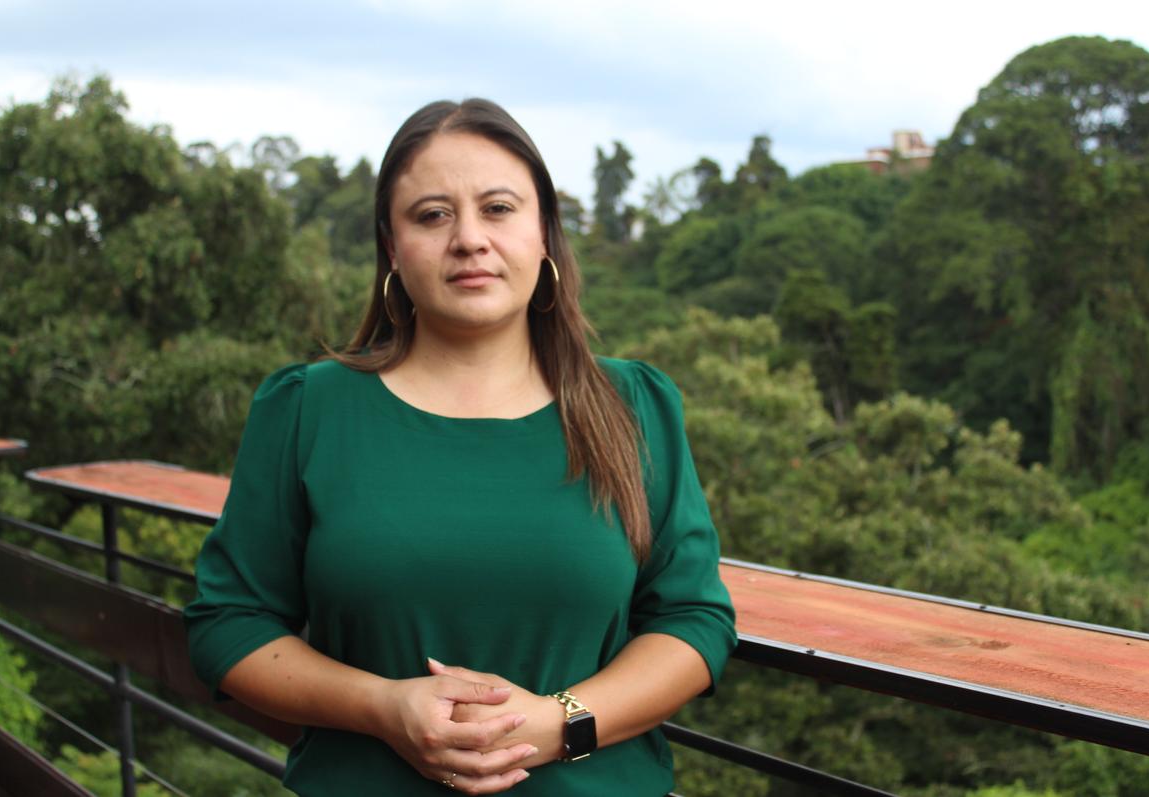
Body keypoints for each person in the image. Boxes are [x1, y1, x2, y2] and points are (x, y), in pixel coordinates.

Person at [184, 98, 736, 796]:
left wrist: (560, 721)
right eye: (432, 214)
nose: (469, 238)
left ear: (544, 234)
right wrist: (381, 707)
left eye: (498, 208)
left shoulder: (633, 408)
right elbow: (229, 624)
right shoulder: (306, 408)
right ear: (391, 246)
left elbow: (692, 617)